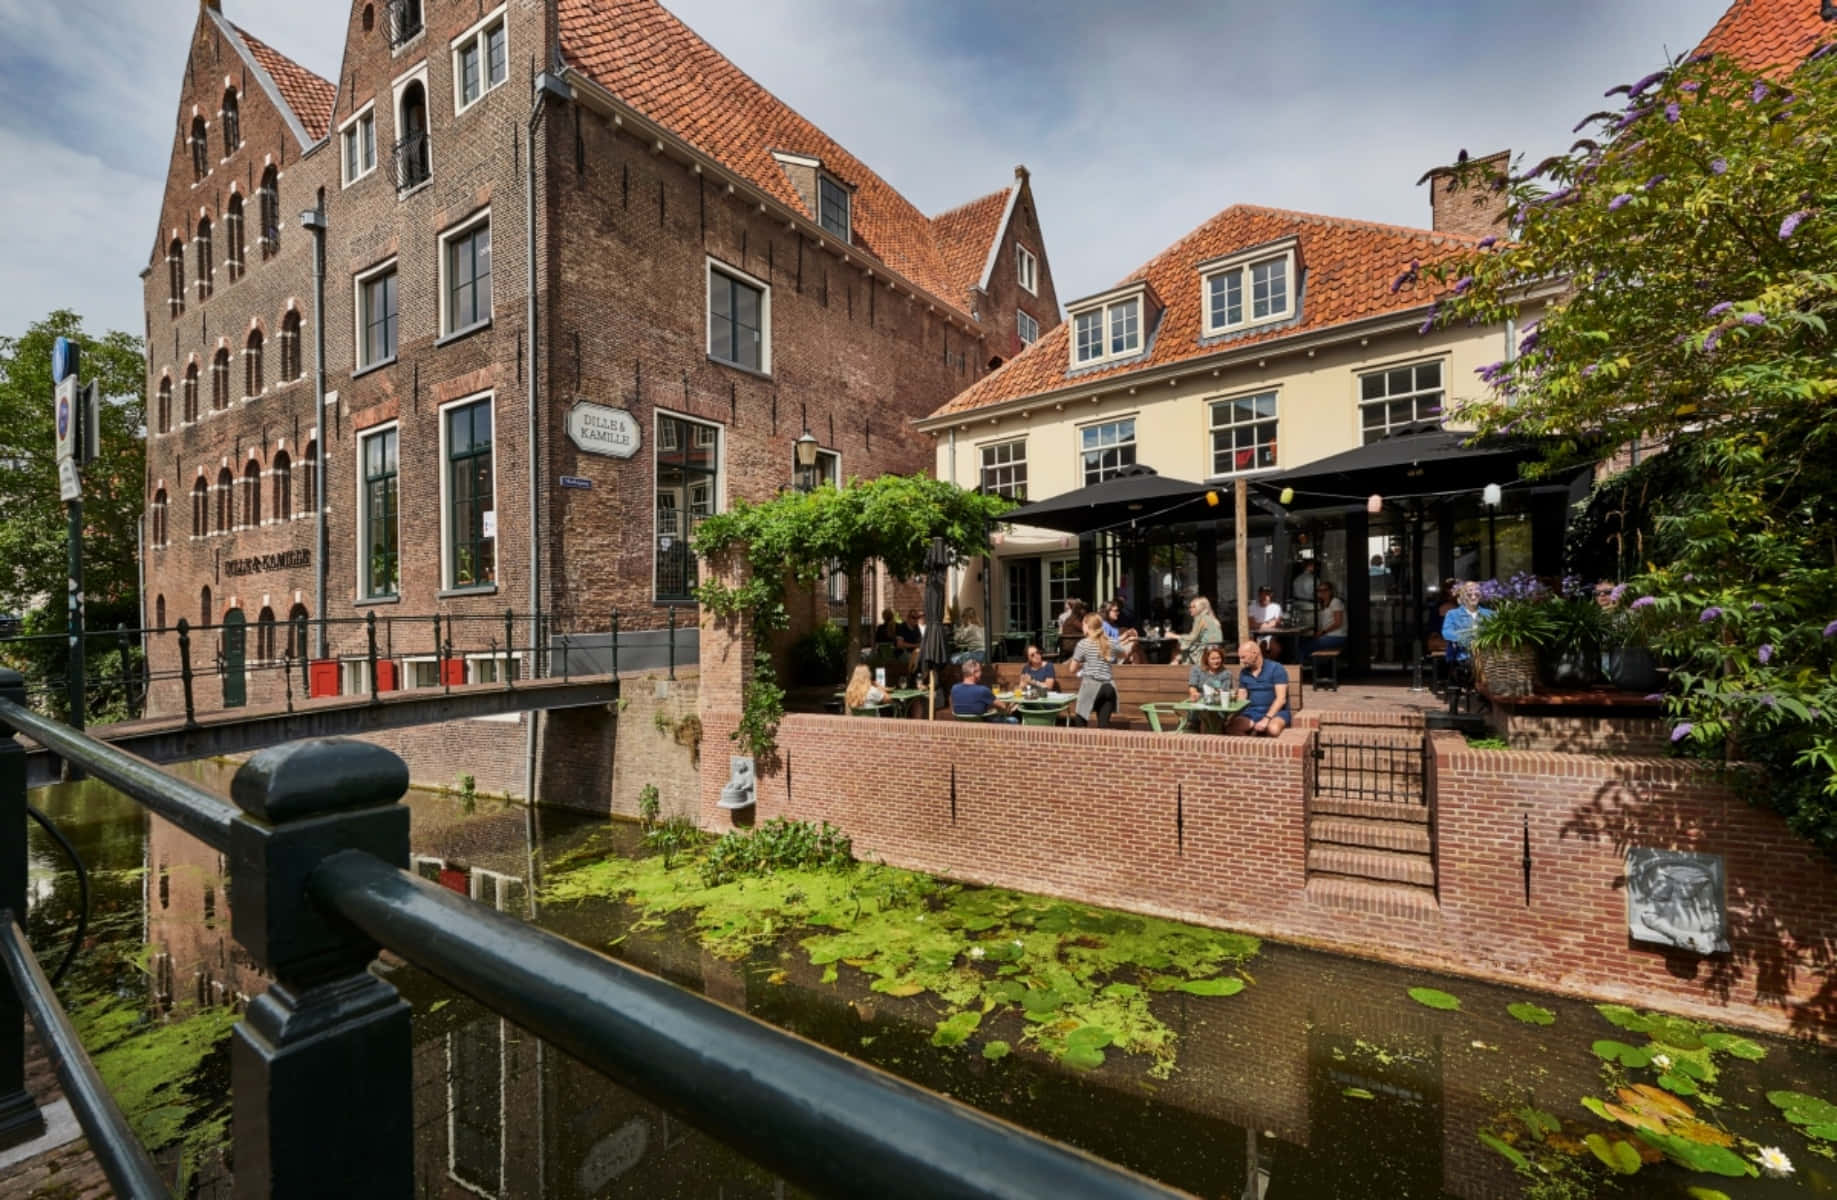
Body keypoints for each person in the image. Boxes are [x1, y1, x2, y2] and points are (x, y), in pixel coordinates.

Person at [1069, 611, 1135, 728]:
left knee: (1080, 721)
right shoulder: (1110, 642)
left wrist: (1082, 664)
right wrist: (1130, 641)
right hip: (1108, 687)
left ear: (1088, 626)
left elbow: (1072, 669)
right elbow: (1124, 655)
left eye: (1083, 624)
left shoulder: (1083, 644)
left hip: (1091, 686)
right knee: (1103, 725)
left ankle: (1085, 746)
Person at [1228, 639, 1291, 736]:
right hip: (1251, 712)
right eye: (1240, 658)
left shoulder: (1276, 669)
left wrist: (1266, 718)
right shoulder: (1244, 673)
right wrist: (1232, 714)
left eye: (1243, 657)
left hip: (1276, 713)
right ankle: (1250, 748)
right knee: (1231, 727)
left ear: (1255, 653)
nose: (1241, 661)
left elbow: (1281, 699)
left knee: (1273, 729)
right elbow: (1242, 698)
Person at [1441, 582, 1493, 662]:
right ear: (1463, 597)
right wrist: (1468, 639)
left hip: (1486, 658)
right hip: (1463, 658)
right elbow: (1447, 633)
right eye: (1469, 595)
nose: (1473, 597)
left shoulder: (1490, 614)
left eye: (1477, 594)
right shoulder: (1453, 614)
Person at [950, 659, 1016, 722]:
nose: (981, 673)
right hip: (983, 726)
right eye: (980, 671)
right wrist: (1012, 705)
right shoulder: (982, 690)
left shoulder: (954, 688)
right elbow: (1003, 707)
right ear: (974, 672)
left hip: (962, 726)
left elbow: (955, 707)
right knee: (1014, 720)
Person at [1300, 582, 1347, 658]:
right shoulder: (1323, 603)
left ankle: (1304, 666)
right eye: (1319, 590)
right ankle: (1311, 664)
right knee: (1303, 641)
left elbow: (1338, 623)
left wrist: (1323, 632)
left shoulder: (1335, 602)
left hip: (1338, 637)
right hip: (1329, 636)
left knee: (1305, 646)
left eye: (1325, 590)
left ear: (1331, 591)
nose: (1322, 592)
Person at [1176, 596, 1223, 664]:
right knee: (1184, 646)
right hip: (1216, 649)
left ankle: (1180, 667)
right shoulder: (1211, 619)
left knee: (1179, 646)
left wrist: (1175, 636)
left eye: (1193, 607)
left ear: (1200, 608)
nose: (1190, 609)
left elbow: (1192, 637)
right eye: (1190, 607)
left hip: (1205, 650)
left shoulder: (1200, 618)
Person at [1248, 586, 1284, 656]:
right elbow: (1251, 624)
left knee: (1276, 649)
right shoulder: (1252, 607)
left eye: (1267, 594)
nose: (1265, 596)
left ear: (1271, 595)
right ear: (1259, 594)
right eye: (1262, 594)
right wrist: (1268, 623)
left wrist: (1259, 624)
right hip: (1254, 636)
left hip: (1270, 635)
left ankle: (1267, 663)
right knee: (1255, 649)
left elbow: (1277, 623)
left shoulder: (1276, 607)